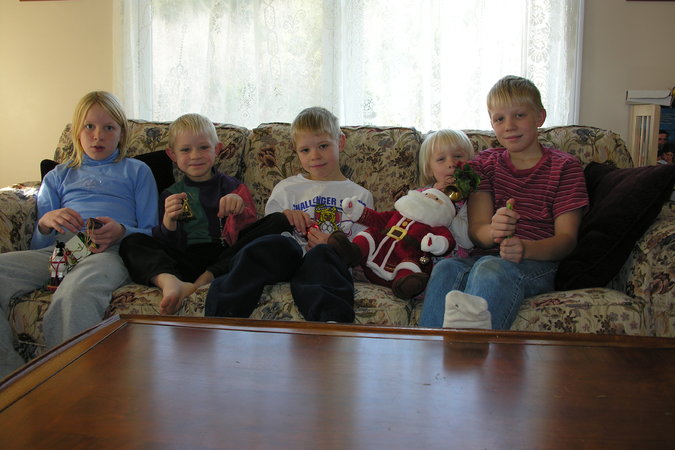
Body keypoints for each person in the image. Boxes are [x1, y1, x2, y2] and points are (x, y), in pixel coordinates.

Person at [0, 91, 158, 377]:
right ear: (77, 131)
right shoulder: (58, 176)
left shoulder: (137, 171)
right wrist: (46, 223)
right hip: (59, 250)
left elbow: (151, 231)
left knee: (75, 294)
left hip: (109, 251)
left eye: (109, 128)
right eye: (89, 126)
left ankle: (69, 380)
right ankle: (10, 379)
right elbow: (40, 244)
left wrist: (122, 231)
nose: (98, 136)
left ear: (121, 134)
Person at [419, 75, 588, 330]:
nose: (509, 126)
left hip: (538, 263)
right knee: (447, 268)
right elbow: (478, 231)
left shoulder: (565, 167)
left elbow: (567, 240)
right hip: (486, 259)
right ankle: (428, 348)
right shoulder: (484, 165)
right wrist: (493, 231)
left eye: (519, 115)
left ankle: (471, 352)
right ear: (492, 123)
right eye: (499, 119)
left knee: (490, 267)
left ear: (540, 117)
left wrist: (526, 249)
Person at [205, 106, 374, 322]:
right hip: (286, 257)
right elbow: (269, 230)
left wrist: (334, 243)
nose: (315, 156)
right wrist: (286, 217)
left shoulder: (360, 196)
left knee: (323, 254)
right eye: (305, 150)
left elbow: (361, 249)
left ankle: (331, 325)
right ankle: (220, 317)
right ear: (296, 151)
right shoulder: (286, 188)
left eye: (323, 146)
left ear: (340, 142)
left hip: (323, 262)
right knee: (269, 246)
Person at [120, 113, 292, 315]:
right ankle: (170, 282)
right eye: (186, 150)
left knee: (279, 220)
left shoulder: (233, 187)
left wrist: (238, 207)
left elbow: (248, 232)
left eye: (203, 147)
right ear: (172, 155)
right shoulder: (170, 194)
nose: (195, 155)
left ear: (217, 149)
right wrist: (169, 222)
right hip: (185, 259)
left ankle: (208, 277)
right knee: (131, 241)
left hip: (225, 256)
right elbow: (165, 244)